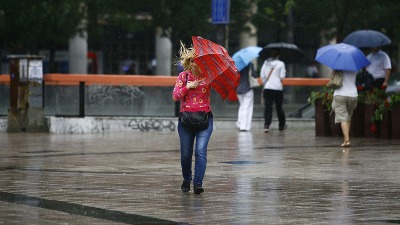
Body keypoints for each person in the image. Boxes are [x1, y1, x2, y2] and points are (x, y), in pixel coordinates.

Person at [172, 42, 213, 195]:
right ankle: (187, 179)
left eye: (198, 60)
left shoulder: (208, 76)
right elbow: (175, 96)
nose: (195, 63)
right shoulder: (183, 76)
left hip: (205, 119)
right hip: (186, 120)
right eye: (192, 60)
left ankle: (198, 183)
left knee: (200, 151)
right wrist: (187, 87)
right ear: (188, 62)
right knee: (185, 153)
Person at [260, 49, 287, 133]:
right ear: (278, 56)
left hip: (268, 88)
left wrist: (267, 82)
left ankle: (267, 125)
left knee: (268, 107)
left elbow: (262, 75)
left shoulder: (265, 63)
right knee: (279, 107)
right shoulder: (281, 64)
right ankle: (281, 125)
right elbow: (282, 76)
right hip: (278, 88)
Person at [331, 70, 358, 147]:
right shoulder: (354, 68)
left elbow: (332, 78)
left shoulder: (338, 67)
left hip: (340, 94)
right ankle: (345, 140)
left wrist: (334, 71)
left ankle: (347, 140)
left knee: (343, 118)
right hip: (353, 95)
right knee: (348, 118)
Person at [236, 63, 256, 132]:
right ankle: (244, 126)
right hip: (247, 88)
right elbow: (254, 75)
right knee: (247, 107)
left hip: (238, 89)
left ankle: (239, 123)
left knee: (241, 106)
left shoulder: (236, 65)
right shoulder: (250, 64)